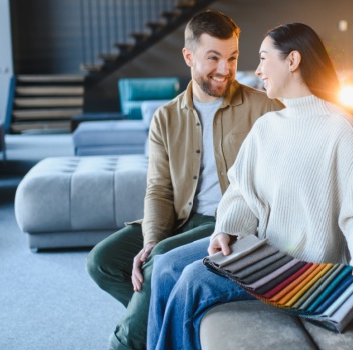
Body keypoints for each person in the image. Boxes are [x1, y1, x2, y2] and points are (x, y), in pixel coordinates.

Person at [146, 23, 353, 350]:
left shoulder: (340, 128)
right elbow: (243, 192)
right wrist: (226, 231)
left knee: (194, 281)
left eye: (264, 59)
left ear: (292, 61)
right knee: (164, 265)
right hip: (263, 248)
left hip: (306, 268)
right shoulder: (268, 126)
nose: (258, 70)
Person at [85, 11, 284, 350]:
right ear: (189, 57)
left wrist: (157, 248)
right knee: (102, 262)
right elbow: (159, 189)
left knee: (159, 259)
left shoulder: (264, 108)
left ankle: (126, 342)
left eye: (232, 57)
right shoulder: (165, 117)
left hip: (227, 221)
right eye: (214, 58)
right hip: (180, 217)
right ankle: (168, 322)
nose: (225, 68)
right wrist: (150, 239)